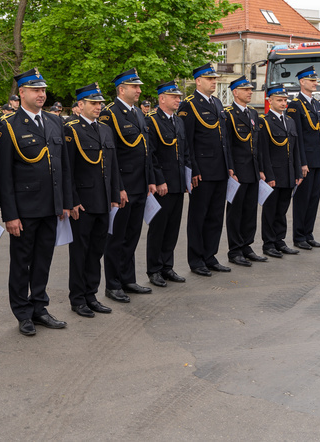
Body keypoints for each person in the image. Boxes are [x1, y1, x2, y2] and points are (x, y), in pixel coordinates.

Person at [0, 68, 72, 337]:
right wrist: (11, 214)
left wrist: (65, 201)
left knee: (43, 260)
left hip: (51, 207)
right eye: (35, 90)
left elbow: (63, 167)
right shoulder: (7, 126)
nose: (42, 94)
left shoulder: (54, 122)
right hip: (24, 209)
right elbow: (4, 175)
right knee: (21, 263)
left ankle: (39, 306)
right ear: (21, 93)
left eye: (43, 90)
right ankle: (23, 312)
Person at [64, 83, 124, 317]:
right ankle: (78, 299)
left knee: (96, 251)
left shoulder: (105, 130)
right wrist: (72, 200)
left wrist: (116, 191)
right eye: (93, 103)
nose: (98, 107)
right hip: (83, 203)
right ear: (80, 105)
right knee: (80, 252)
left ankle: (92, 295)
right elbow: (67, 168)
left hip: (103, 202)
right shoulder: (72, 129)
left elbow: (112, 164)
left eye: (99, 103)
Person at [99, 68, 156, 302]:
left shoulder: (139, 114)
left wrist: (151, 179)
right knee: (116, 238)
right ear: (122, 89)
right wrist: (118, 187)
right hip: (123, 186)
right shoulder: (109, 114)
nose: (139, 91)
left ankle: (128, 279)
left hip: (140, 184)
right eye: (135, 87)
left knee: (132, 235)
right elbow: (109, 157)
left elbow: (146, 151)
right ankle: (113, 284)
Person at [178, 63, 234, 276]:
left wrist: (229, 166)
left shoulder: (218, 103)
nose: (214, 82)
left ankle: (210, 256)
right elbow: (187, 141)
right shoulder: (189, 105)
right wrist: (193, 169)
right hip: (202, 171)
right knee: (198, 217)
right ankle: (196, 259)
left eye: (215, 79)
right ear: (198, 81)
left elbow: (224, 139)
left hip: (219, 169)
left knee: (215, 217)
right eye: (210, 79)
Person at [145, 81, 190, 287]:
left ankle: (167, 266)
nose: (178, 100)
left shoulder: (178, 121)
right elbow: (151, 154)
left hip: (179, 182)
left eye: (179, 97)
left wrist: (188, 177)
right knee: (159, 228)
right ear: (162, 98)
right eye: (174, 97)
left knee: (172, 228)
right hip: (163, 185)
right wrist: (159, 180)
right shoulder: (152, 121)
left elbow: (184, 152)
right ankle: (154, 269)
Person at [224, 77, 267, 266]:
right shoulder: (228, 114)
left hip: (253, 170)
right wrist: (230, 168)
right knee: (236, 212)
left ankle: (247, 246)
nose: (250, 92)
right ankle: (235, 250)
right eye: (246, 89)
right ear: (235, 92)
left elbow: (257, 145)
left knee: (250, 211)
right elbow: (227, 144)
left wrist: (261, 170)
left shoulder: (253, 113)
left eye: (251, 89)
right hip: (238, 171)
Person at [258, 85, 303, 258]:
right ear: (270, 101)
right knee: (270, 210)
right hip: (274, 175)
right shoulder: (265, 121)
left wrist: (297, 172)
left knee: (282, 210)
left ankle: (279, 241)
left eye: (285, 100)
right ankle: (268, 244)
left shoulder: (290, 121)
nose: (283, 103)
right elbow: (264, 151)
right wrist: (268, 175)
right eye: (279, 100)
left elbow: (295, 149)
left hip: (289, 174)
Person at [287, 66, 320, 251]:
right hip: (306, 161)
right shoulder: (295, 105)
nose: (315, 83)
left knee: (313, 199)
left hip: (317, 159)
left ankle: (309, 233)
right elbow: (297, 137)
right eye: (311, 80)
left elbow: (319, 135)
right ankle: (299, 236)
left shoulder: (316, 104)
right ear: (302, 82)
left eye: (315, 80)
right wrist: (301, 162)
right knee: (302, 200)